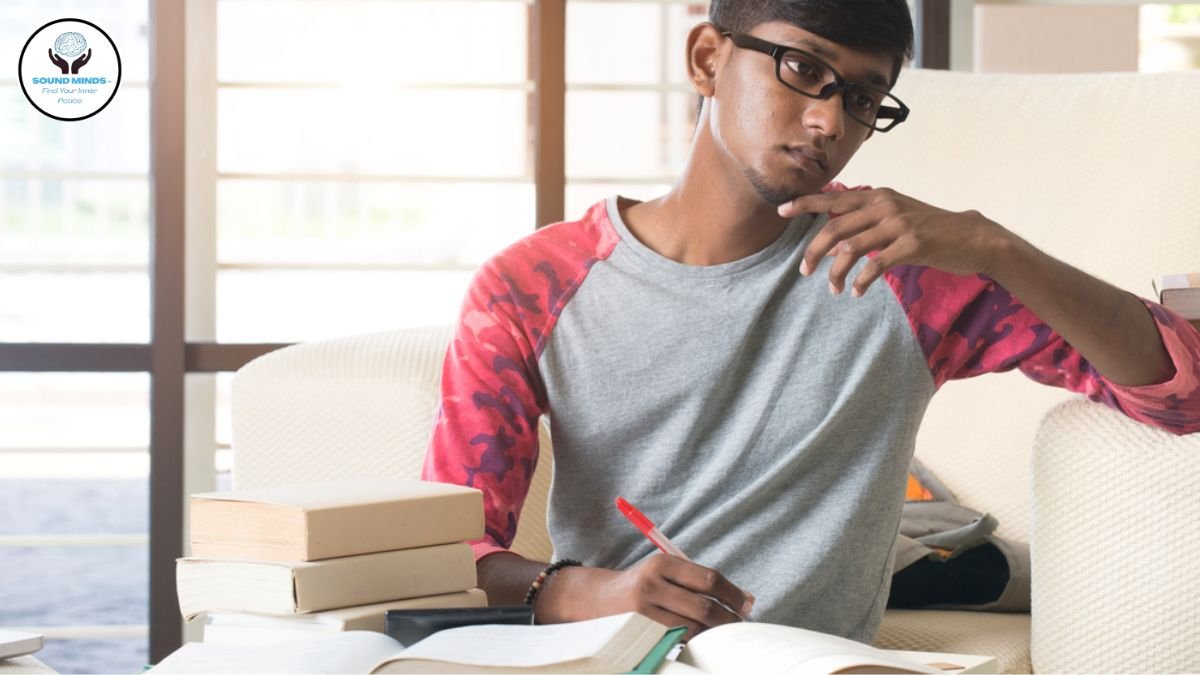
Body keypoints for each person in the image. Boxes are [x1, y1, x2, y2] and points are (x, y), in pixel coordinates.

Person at [421, 0, 1200, 644]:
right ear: (706, 60)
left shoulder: (907, 277)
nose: (830, 122)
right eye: (802, 71)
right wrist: (573, 590)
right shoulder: (529, 288)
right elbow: (439, 553)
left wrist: (992, 245)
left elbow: (1182, 388)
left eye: (862, 98)